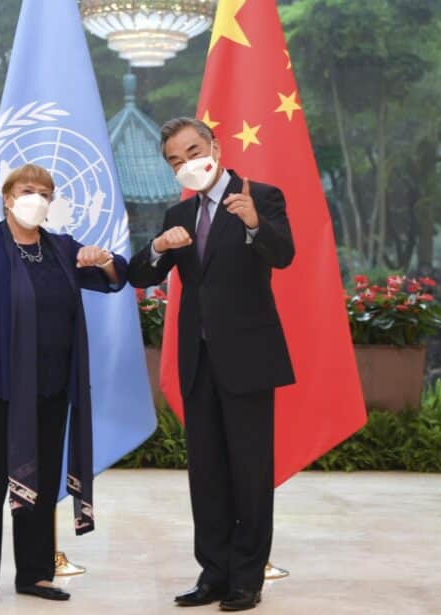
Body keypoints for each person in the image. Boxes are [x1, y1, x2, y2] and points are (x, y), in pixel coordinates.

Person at [127, 117, 295, 612]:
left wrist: (254, 224)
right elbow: (140, 274)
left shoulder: (260, 196)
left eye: (193, 151)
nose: (186, 164)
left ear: (215, 147)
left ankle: (247, 579)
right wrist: (158, 247)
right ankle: (214, 575)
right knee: (207, 475)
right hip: (197, 362)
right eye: (175, 160)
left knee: (250, 473)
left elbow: (284, 255)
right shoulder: (177, 213)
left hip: (248, 359)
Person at [0, 163, 127, 611]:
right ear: (8, 198)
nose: (37, 199)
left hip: (51, 389)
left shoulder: (61, 249)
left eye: (45, 193)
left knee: (41, 483)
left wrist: (103, 259)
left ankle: (35, 573)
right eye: (28, 190)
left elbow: (116, 278)